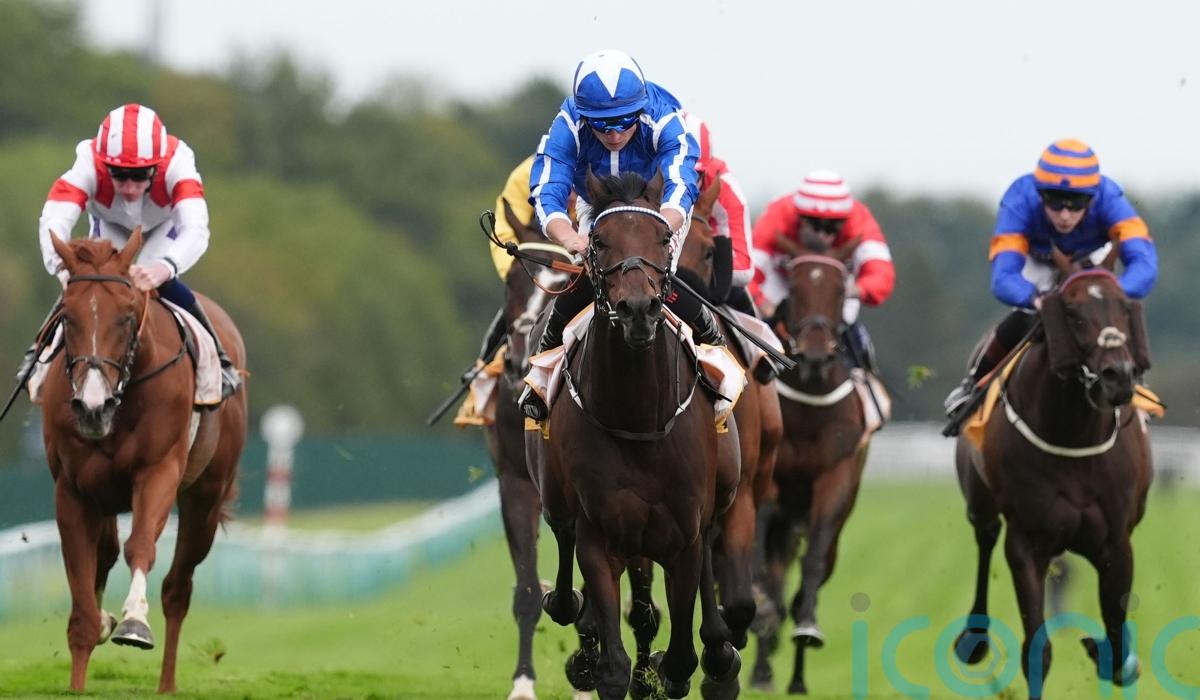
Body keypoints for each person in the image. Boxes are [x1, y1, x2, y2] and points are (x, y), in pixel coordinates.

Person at [519, 49, 710, 421]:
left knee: (655, 276)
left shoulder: (663, 118)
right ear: (584, 116)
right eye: (602, 125)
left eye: (624, 121)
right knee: (594, 277)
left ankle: (714, 350)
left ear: (640, 109)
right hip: (598, 207)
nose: (615, 134)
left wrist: (661, 229)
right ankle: (542, 372)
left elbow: (682, 182)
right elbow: (547, 190)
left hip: (658, 208)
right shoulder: (568, 124)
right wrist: (570, 239)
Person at [22, 103, 240, 399]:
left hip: (164, 224)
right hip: (111, 224)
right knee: (89, 284)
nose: (128, 187)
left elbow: (196, 228)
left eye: (139, 176)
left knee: (154, 281)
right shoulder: (88, 161)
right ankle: (39, 354)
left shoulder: (178, 163)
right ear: (104, 165)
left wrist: (165, 267)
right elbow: (54, 218)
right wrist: (63, 268)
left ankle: (219, 357)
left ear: (157, 167)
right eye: (119, 174)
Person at [942, 138, 1157, 432]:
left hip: (1090, 261)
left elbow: (1144, 264)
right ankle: (973, 386)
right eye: (1054, 202)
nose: (1065, 215)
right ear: (1040, 194)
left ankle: (1135, 382)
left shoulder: (1111, 199)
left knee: (1111, 313)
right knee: (1025, 316)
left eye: (1076, 204)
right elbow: (1003, 278)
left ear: (1092, 198)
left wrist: (1115, 293)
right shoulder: (1019, 199)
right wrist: (1036, 299)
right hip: (1038, 261)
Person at [749, 170, 896, 372]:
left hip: (837, 286)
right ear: (799, 217)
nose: (822, 234)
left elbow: (881, 275)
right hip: (783, 283)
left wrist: (855, 290)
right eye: (814, 224)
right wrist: (763, 304)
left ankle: (864, 373)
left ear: (845, 219)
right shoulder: (777, 216)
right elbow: (747, 270)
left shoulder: (860, 221)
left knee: (851, 330)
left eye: (833, 226)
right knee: (756, 325)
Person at [680, 111, 756, 314]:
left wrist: (693, 262)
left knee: (743, 301)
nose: (680, 183)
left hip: (703, 271)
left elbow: (745, 270)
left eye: (692, 174)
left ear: (706, 169)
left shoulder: (726, 190)